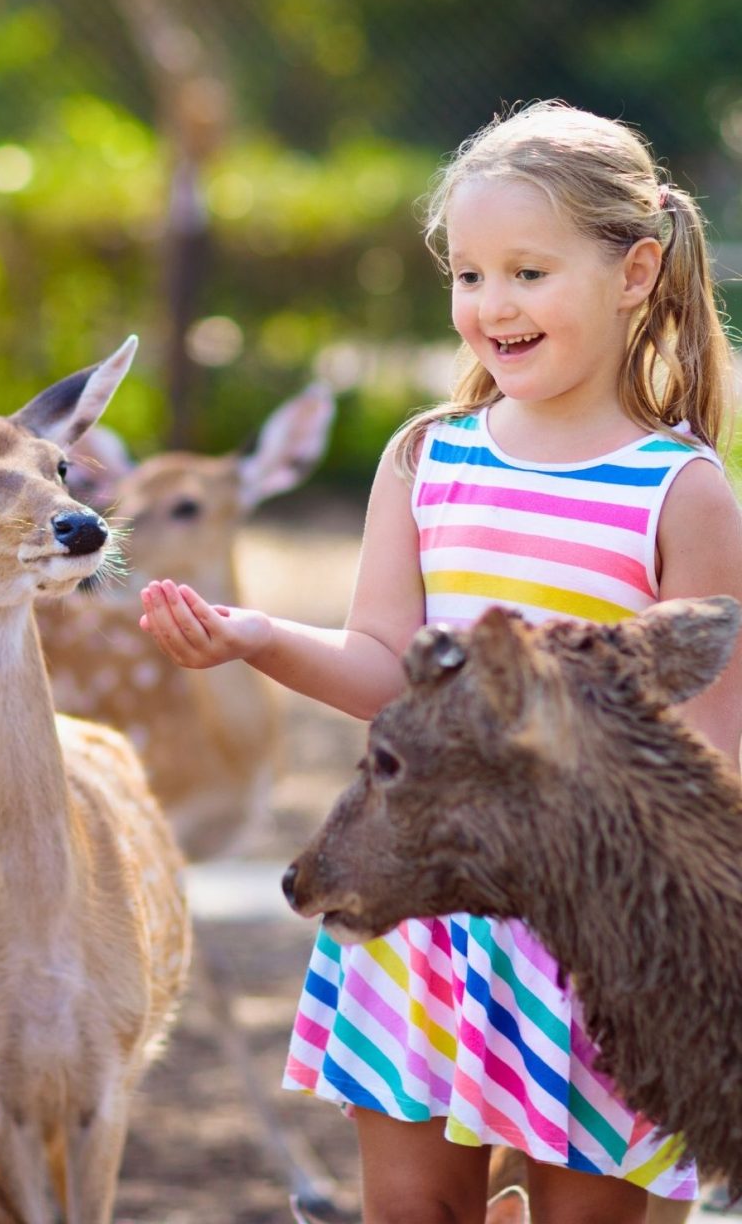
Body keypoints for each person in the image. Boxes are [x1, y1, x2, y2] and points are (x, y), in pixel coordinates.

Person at [139, 100, 742, 1224]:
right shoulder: (426, 459)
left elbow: (705, 754)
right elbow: (382, 669)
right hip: (421, 918)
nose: (489, 306)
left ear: (633, 271)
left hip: (592, 942)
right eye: (466, 276)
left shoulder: (680, 488)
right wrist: (258, 637)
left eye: (524, 271)